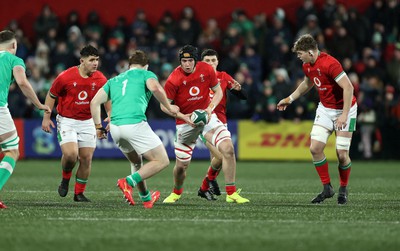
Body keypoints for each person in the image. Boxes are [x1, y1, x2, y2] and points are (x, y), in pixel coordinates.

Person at [90, 50, 179, 208]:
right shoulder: (146, 74)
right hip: (134, 124)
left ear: (129, 65)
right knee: (162, 160)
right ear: (146, 66)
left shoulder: (114, 80)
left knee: (137, 162)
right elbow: (156, 89)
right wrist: (169, 106)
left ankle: (145, 198)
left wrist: (98, 127)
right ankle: (127, 182)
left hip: (116, 129)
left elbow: (94, 102)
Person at [161, 44, 249, 204]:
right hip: (185, 123)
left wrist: (209, 109)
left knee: (228, 150)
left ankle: (231, 193)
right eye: (183, 61)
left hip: (208, 118)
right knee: (181, 167)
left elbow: (219, 92)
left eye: (190, 60)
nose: (187, 64)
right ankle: (176, 192)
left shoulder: (207, 70)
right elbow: (163, 105)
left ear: (195, 61)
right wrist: (183, 115)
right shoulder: (174, 79)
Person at [277, 34, 357, 205]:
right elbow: (307, 83)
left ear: (311, 52)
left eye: (300, 53)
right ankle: (327, 187)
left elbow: (348, 88)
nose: (299, 57)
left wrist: (344, 115)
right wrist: (289, 99)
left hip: (347, 109)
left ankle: (343, 187)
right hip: (326, 109)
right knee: (315, 148)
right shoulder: (307, 65)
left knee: (342, 155)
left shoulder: (331, 64)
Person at [41, 45, 108, 202]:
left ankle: (79, 194)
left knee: (86, 158)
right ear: (82, 61)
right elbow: (51, 95)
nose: (95, 63)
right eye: (91, 60)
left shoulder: (101, 79)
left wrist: (110, 115)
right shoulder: (65, 77)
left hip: (87, 121)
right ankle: (65, 179)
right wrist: (46, 116)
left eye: (97, 60)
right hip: (67, 120)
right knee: (71, 155)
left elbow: (107, 97)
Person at [0, 30, 51, 209]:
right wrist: (38, 104)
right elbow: (22, 82)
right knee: (12, 151)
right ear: (14, 45)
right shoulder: (14, 60)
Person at [197, 48, 247, 201]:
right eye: (207, 61)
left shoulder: (223, 77)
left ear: (217, 61)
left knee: (218, 159)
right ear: (201, 63)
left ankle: (205, 186)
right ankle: (214, 185)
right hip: (204, 123)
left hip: (221, 123)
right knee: (220, 156)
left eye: (213, 60)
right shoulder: (196, 78)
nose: (211, 63)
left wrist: (239, 90)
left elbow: (243, 97)